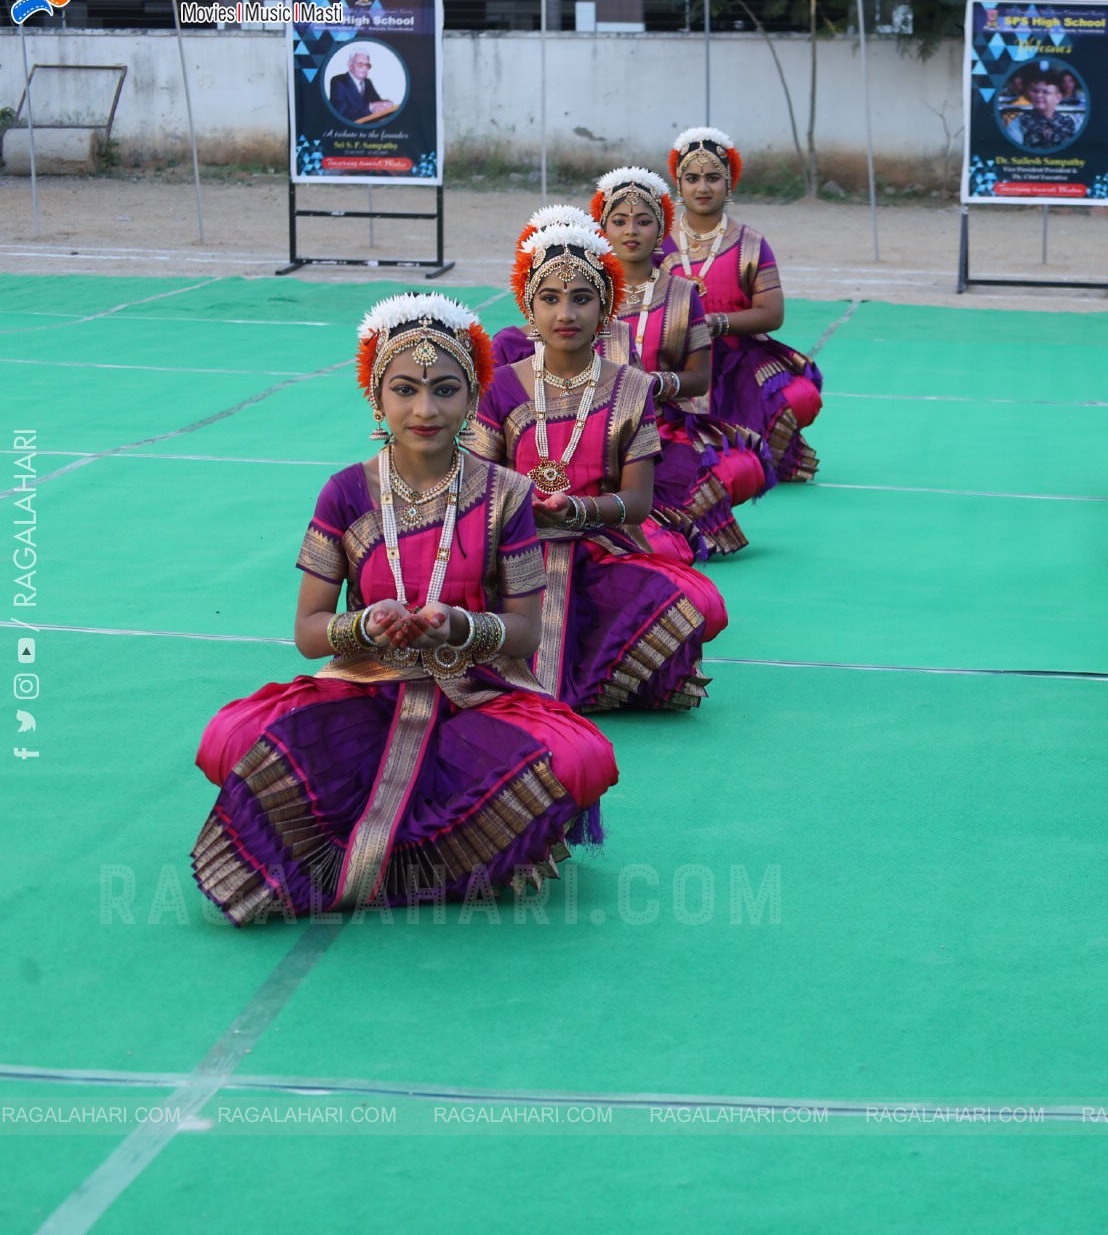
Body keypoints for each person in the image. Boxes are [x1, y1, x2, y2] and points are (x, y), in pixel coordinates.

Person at [191, 293, 619, 925]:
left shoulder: (507, 494)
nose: (425, 410)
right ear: (377, 397)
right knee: (231, 737)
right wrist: (364, 625)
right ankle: (448, 862)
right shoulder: (345, 491)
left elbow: (527, 633)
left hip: (476, 693)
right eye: (405, 390)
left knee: (581, 758)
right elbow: (309, 632)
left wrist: (461, 626)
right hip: (363, 688)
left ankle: (398, 861)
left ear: (471, 398)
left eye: (445, 390)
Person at [470, 221, 727, 711]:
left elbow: (638, 502)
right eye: (549, 298)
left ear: (605, 304)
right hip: (513, 551)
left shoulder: (632, 387)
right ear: (528, 305)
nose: (565, 313)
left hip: (601, 547)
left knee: (690, 608)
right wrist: (519, 510)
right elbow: (477, 483)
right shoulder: (500, 386)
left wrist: (577, 511)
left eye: (582, 299)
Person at [592, 166, 769, 556]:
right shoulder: (585, 294)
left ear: (661, 229)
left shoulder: (683, 294)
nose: (631, 231)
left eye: (643, 221)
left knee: (741, 469)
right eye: (619, 221)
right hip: (590, 428)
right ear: (601, 229)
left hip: (661, 426)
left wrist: (653, 384)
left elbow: (699, 378)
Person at [659, 126, 824, 483]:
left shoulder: (750, 243)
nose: (702, 188)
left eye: (713, 178)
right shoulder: (657, 242)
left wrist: (716, 324)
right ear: (678, 184)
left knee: (799, 396)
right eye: (692, 178)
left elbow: (772, 314)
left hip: (737, 363)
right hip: (673, 361)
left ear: (729, 182)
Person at [1006, 65, 1083, 149]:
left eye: (1045, 92)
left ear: (1058, 98)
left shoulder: (1071, 123)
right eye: (1036, 91)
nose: (1039, 95)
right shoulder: (1018, 123)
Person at [329, 49, 396, 122]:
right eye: (360, 64)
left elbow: (376, 100)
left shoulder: (367, 82)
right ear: (350, 65)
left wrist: (383, 105)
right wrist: (371, 106)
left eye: (367, 65)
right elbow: (341, 112)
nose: (364, 68)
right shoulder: (339, 81)